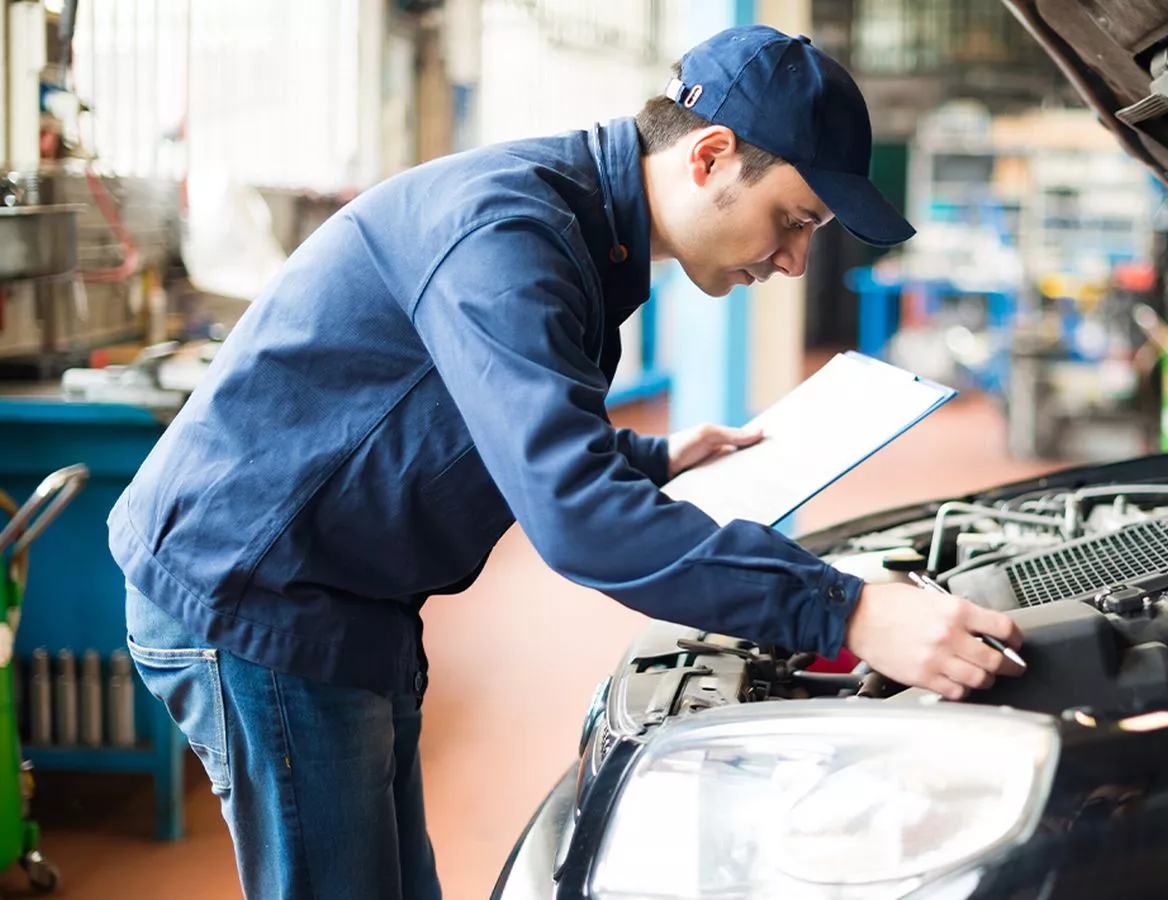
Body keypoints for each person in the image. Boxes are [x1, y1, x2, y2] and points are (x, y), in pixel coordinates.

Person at [110, 23, 1023, 900]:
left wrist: (652, 455)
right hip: (257, 591)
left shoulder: (586, 231)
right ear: (707, 157)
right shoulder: (510, 233)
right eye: (792, 220)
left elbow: (475, 413)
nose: (793, 261)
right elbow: (577, 517)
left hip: (345, 590)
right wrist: (849, 611)